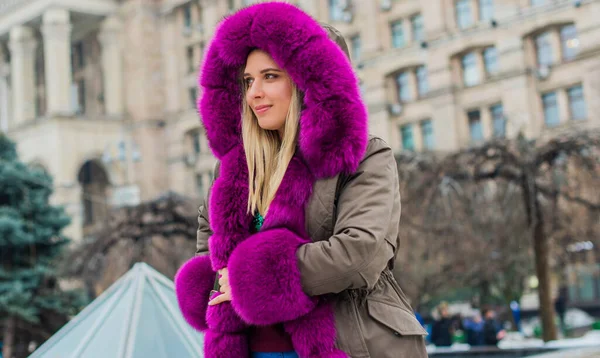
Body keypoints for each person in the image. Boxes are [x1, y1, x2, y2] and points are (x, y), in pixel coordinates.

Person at [173, 2, 427, 358]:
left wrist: (255, 277)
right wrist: (211, 283)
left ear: (311, 80)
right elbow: (212, 252)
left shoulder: (363, 156)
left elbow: (361, 252)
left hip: (349, 344)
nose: (254, 93)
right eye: (248, 80)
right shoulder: (234, 169)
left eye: (270, 76)